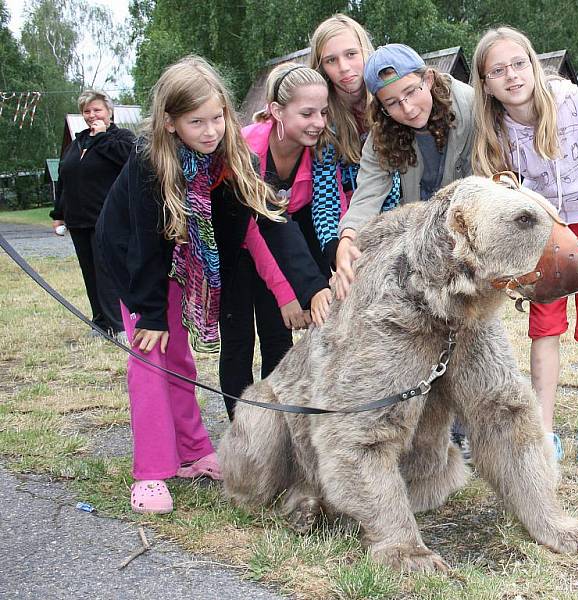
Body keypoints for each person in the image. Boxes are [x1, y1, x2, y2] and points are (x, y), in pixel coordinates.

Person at [96, 56, 329, 513]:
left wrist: (312, 287)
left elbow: (272, 217)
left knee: (179, 358)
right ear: (169, 123)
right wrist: (150, 313)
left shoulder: (232, 154)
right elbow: (143, 243)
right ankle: (150, 472)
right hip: (133, 262)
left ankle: (193, 451)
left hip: (184, 261)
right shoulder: (150, 162)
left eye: (218, 118)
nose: (210, 131)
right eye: (196, 122)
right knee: (150, 355)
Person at [471, 27, 578, 465]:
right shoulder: (496, 133)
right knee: (544, 325)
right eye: (498, 71)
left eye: (519, 63)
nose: (512, 76)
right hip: (544, 235)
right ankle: (544, 431)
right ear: (485, 83)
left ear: (534, 63)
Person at [229, 63, 335, 414]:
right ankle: (241, 431)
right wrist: (288, 293)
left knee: (278, 337)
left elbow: (317, 219)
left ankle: (277, 423)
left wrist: (320, 285)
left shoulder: (319, 150)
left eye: (323, 112)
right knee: (240, 340)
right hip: (239, 247)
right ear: (276, 111)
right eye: (307, 113)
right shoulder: (247, 150)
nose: (318, 122)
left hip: (282, 245)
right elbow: (255, 228)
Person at [334, 43, 475, 299]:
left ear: (428, 79)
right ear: (381, 107)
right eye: (393, 103)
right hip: (424, 229)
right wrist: (347, 239)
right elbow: (367, 195)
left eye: (411, 92)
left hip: (470, 222)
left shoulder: (471, 106)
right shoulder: (381, 137)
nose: (407, 108)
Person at [308, 14, 401, 269]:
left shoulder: (390, 98)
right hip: (344, 219)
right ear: (321, 66)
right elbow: (324, 191)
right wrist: (335, 247)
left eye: (351, 54)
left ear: (365, 52)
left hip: (397, 214)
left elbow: (390, 182)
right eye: (331, 60)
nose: (344, 68)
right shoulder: (322, 116)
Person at [50, 90, 134, 338]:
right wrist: (59, 213)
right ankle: (100, 321)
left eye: (97, 110)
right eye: (87, 111)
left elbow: (128, 160)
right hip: (79, 220)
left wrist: (102, 137)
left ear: (109, 112)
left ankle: (118, 324)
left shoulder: (121, 138)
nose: (91, 115)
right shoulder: (77, 142)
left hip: (108, 218)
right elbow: (65, 178)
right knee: (90, 272)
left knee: (107, 271)